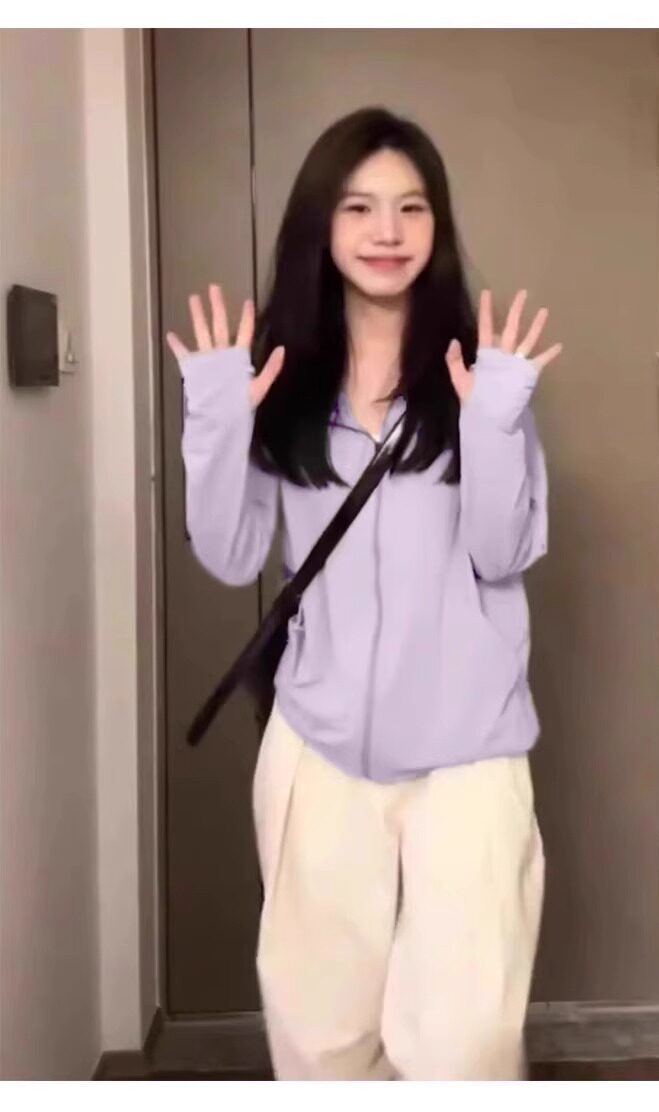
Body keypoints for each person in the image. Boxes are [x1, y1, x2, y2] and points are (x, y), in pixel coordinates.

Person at [167, 106, 562, 1082]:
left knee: (464, 1047)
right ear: (322, 223)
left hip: (468, 753)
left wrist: (493, 423)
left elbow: (503, 550)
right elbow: (232, 554)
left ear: (437, 225)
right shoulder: (280, 380)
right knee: (321, 1042)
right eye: (358, 206)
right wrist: (215, 421)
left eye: (410, 207)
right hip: (320, 746)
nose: (387, 230)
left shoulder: (481, 378)